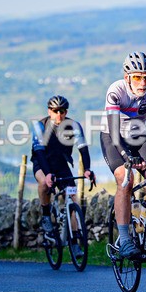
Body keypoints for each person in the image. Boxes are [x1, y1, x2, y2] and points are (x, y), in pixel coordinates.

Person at [100, 52, 146, 259]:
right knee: (126, 180)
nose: (143, 82)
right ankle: (124, 240)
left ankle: (143, 222)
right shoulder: (116, 90)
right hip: (113, 138)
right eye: (137, 77)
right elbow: (115, 133)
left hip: (138, 136)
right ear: (127, 77)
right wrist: (126, 157)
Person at [31, 95, 95, 259]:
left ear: (66, 111)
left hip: (61, 166)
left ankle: (74, 244)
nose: (59, 115)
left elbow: (83, 148)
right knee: (44, 185)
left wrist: (87, 169)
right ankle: (46, 216)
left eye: (62, 111)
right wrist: (47, 174)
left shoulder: (73, 125)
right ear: (49, 111)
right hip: (42, 164)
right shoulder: (40, 126)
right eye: (55, 111)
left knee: (73, 199)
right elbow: (39, 152)